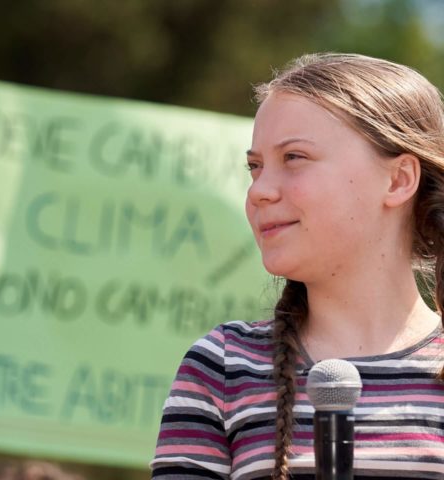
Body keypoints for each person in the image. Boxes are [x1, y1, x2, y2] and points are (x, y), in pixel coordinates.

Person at [150, 53, 444, 480]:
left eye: (294, 158)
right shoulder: (223, 367)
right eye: (255, 167)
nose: (260, 191)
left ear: (398, 180)